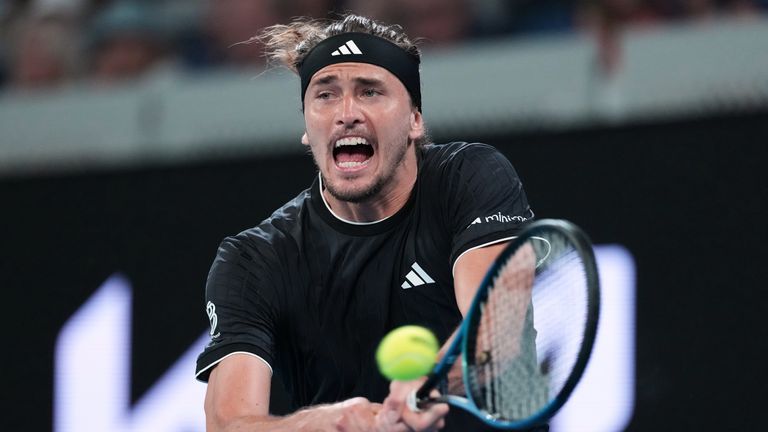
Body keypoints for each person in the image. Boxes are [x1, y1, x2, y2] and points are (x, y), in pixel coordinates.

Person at [195, 13, 537, 431]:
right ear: (307, 126)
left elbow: (498, 328)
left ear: (415, 119)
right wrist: (332, 422)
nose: (347, 113)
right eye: (325, 95)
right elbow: (227, 423)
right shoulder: (254, 260)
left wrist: (428, 383)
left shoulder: (471, 177)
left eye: (370, 92)